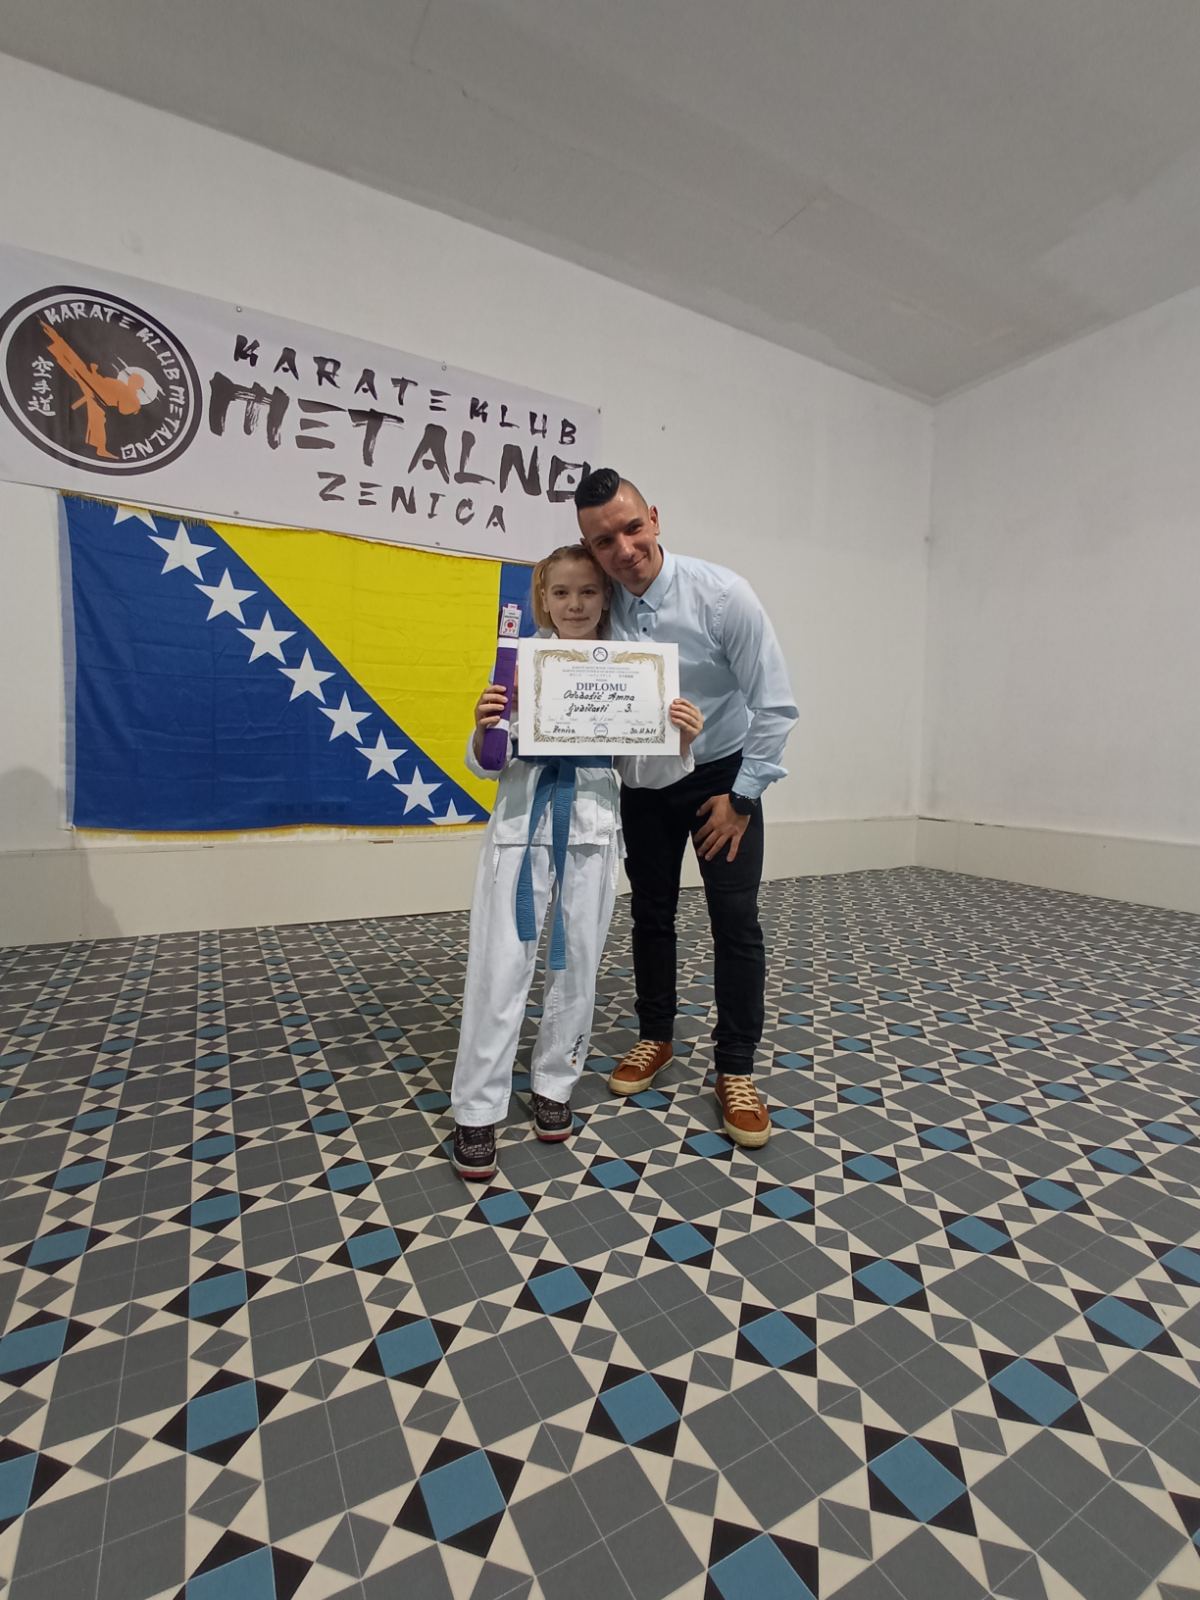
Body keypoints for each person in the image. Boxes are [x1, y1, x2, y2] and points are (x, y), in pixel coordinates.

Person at [450, 543, 704, 1180]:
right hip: (521, 829)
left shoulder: (630, 669)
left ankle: (554, 1084)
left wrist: (679, 739)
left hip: (592, 831)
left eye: (588, 591)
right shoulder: (522, 663)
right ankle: (477, 1108)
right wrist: (485, 727)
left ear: (606, 597)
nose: (574, 604)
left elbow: (642, 771)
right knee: (500, 969)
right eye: (561, 592)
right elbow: (486, 761)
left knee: (578, 967)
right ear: (543, 598)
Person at [574, 468, 797, 1148]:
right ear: (589, 547)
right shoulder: (598, 603)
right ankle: (656, 1035)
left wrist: (742, 799)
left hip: (720, 777)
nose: (623, 550)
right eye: (603, 541)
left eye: (631, 528)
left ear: (655, 519)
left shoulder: (724, 596)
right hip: (644, 780)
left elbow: (775, 705)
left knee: (735, 920)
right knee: (651, 913)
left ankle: (736, 1068)